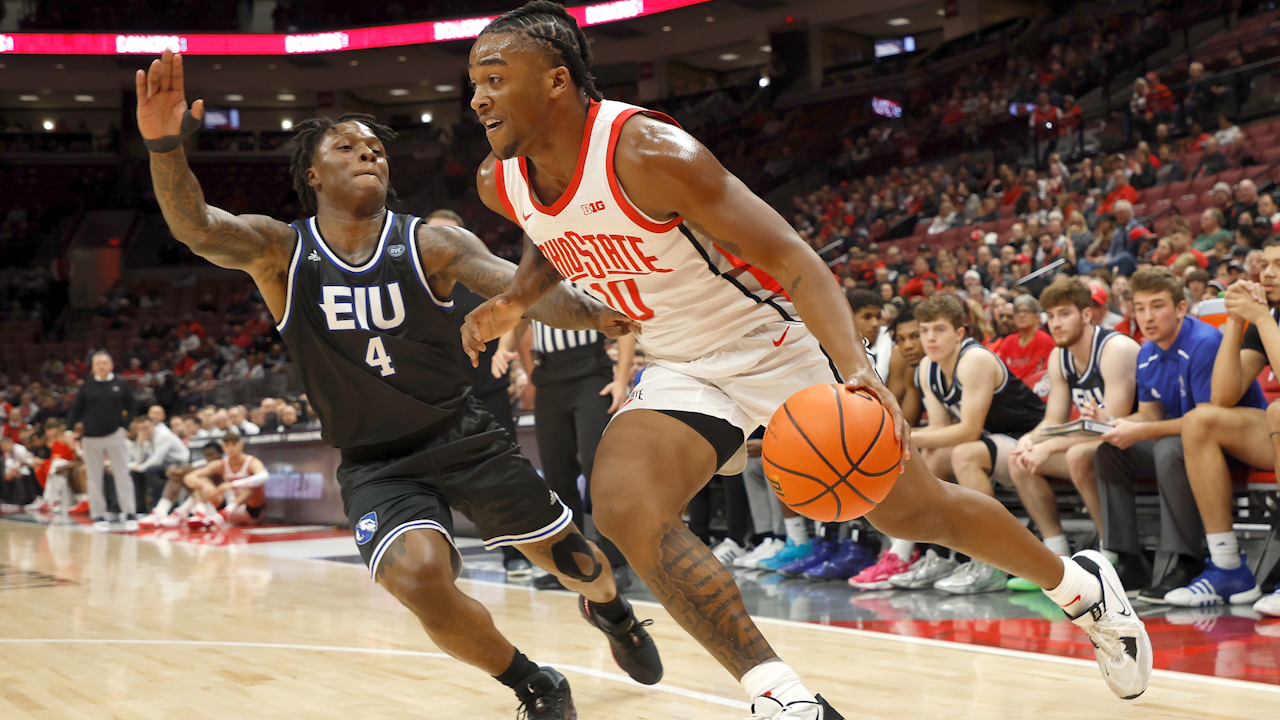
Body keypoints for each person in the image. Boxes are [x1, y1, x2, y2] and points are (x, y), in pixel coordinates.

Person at [463, 5, 1152, 713]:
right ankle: (783, 698)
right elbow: (551, 232)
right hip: (680, 363)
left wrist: (857, 368)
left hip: (773, 342)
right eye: (474, 82)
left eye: (494, 78)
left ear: (557, 81)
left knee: (914, 513)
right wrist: (518, 299)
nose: (478, 97)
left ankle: (1081, 588)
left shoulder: (649, 153)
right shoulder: (499, 180)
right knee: (623, 505)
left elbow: (794, 258)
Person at [137, 47, 659, 719]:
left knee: (581, 565)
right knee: (417, 579)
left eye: (377, 149)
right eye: (348, 147)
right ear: (313, 175)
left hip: (463, 438)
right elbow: (198, 228)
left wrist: (595, 313)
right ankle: (533, 682)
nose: (368, 153)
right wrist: (164, 149)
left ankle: (613, 614)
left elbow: (519, 290)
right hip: (376, 463)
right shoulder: (281, 251)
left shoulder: (431, 244)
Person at [1091, 267, 1266, 604]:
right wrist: (1113, 423)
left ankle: (1187, 560)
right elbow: (1149, 415)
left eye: (1157, 306)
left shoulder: (1203, 343)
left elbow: (1204, 421)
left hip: (1234, 446)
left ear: (1181, 308)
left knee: (1169, 449)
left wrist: (1141, 430)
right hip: (1190, 443)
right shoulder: (1146, 352)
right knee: (1110, 450)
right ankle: (1128, 559)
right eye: (1140, 308)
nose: (1147, 317)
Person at [904, 294, 1045, 593]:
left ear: (959, 333)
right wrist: (911, 437)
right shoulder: (927, 367)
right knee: (931, 457)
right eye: (924, 330)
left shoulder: (975, 359)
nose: (930, 338)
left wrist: (906, 434)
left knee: (964, 454)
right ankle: (939, 554)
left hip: (1030, 441)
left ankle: (991, 561)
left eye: (939, 329)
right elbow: (939, 427)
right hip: (995, 443)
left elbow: (969, 430)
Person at [1007, 281, 1141, 581]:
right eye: (1051, 316)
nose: (1055, 323)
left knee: (1078, 455)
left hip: (1134, 442)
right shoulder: (1060, 355)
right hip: (1100, 443)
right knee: (1019, 459)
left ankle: (1112, 556)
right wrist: (1028, 441)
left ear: (1086, 314)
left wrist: (1050, 446)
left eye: (1064, 314)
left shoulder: (1115, 349)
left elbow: (1110, 425)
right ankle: (1054, 557)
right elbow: (1053, 421)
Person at [1174, 239, 1280, 615]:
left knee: (1278, 411)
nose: (1268, 273)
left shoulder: (1269, 316)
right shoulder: (1271, 313)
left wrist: (1263, 319)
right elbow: (1221, 396)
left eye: (1279, 265)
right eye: (1266, 264)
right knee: (1200, 421)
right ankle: (1228, 567)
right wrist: (1236, 320)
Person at [67, 351, 138, 532]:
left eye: (104, 362)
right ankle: (98, 515)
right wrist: (69, 430)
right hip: (90, 438)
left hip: (115, 436)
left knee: (122, 475)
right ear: (93, 367)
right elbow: (75, 410)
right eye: (98, 363)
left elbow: (132, 407)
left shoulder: (121, 385)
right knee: (94, 478)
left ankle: (129, 513)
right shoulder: (87, 387)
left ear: (111, 365)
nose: (101, 366)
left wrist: (124, 427)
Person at [181, 431, 269, 527]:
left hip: (250, 510)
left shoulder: (251, 462)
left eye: (234, 444)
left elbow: (264, 477)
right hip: (226, 506)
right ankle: (200, 513)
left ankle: (227, 511)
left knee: (253, 483)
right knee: (201, 481)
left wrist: (232, 484)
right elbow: (189, 477)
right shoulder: (221, 463)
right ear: (224, 448)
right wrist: (206, 487)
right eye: (227, 445)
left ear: (241, 445)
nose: (231, 448)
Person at [130, 411, 190, 519]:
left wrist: (140, 467)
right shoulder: (146, 437)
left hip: (179, 462)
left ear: (153, 426)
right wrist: (140, 443)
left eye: (146, 427)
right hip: (164, 463)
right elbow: (139, 459)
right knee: (135, 473)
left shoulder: (163, 435)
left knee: (150, 471)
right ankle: (140, 509)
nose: (144, 431)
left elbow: (157, 459)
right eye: (141, 429)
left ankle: (157, 506)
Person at [993, 295, 1054, 383]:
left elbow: (1039, 374)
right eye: (1017, 312)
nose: (1021, 315)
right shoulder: (1009, 341)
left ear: (1038, 317)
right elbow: (1001, 371)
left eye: (1026, 311)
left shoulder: (1045, 341)